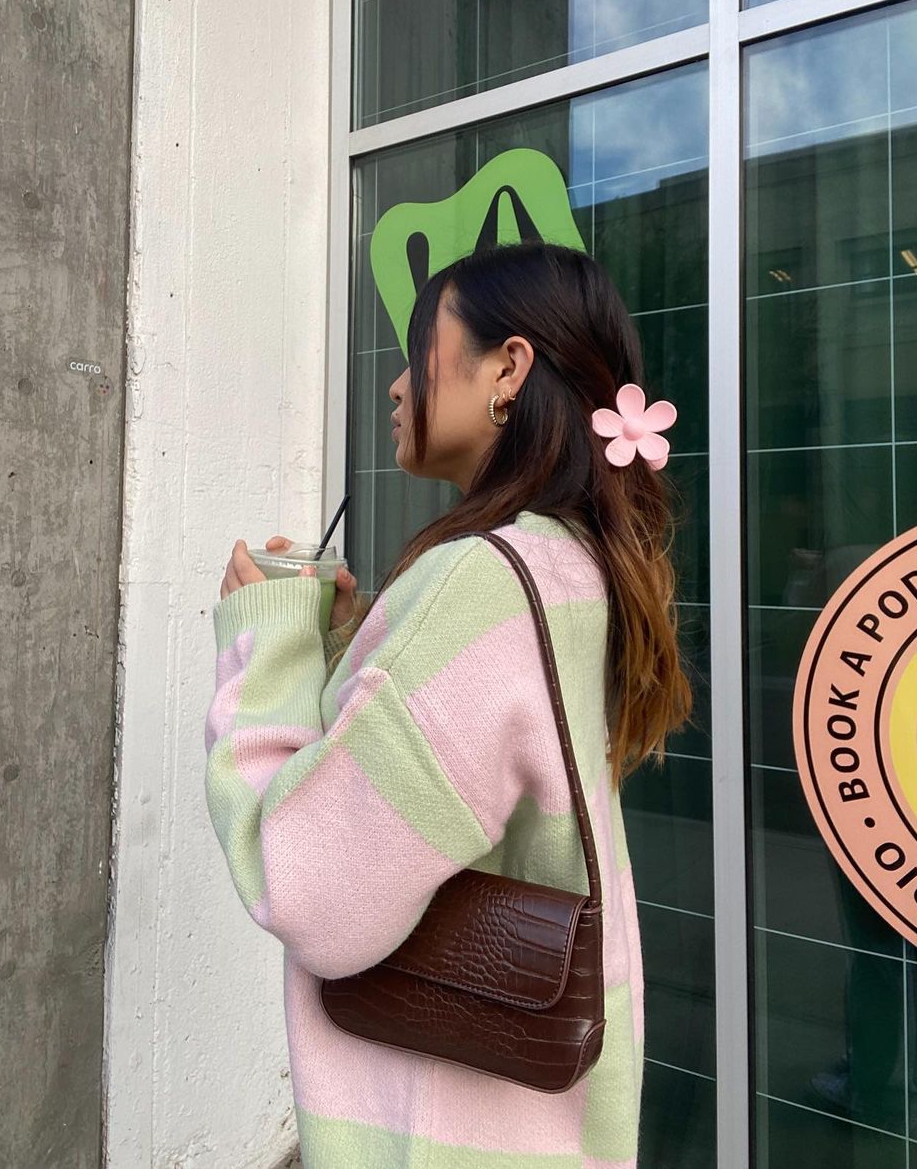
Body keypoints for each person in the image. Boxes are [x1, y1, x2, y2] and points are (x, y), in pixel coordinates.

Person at [205, 241, 691, 1168]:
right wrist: (347, 654)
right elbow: (464, 793)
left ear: (507, 369)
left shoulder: (482, 580)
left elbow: (312, 889)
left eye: (419, 349)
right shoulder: (573, 564)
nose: (395, 387)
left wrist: (263, 641)